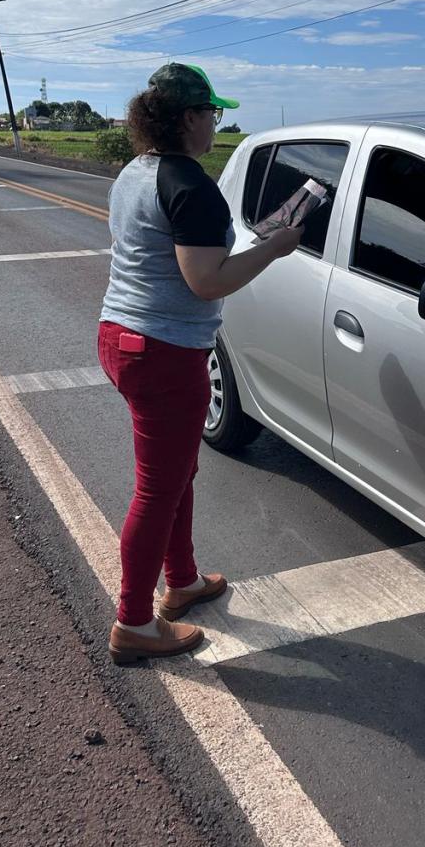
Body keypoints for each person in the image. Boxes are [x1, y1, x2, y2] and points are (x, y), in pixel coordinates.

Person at [98, 64, 302, 664]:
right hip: (163, 352)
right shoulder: (190, 185)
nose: (217, 123)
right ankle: (134, 622)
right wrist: (275, 247)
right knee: (158, 489)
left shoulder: (137, 171)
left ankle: (182, 580)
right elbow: (207, 281)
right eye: (212, 113)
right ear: (188, 118)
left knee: (176, 472)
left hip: (122, 336)